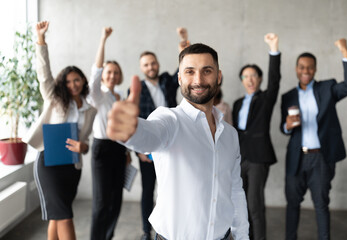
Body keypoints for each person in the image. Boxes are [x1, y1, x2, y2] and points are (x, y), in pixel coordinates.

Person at [107, 43, 249, 240]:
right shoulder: (170, 120)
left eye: (207, 71)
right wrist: (132, 132)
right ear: (180, 77)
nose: (198, 80)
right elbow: (151, 134)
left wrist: (243, 236)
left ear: (219, 76)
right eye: (190, 72)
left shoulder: (230, 135)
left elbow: (234, 189)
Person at [23, 21, 97, 240]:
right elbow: (44, 74)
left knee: (57, 215)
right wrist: (41, 40)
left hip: (72, 166)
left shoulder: (91, 110)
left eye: (77, 80)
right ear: (63, 84)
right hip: (49, 162)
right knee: (64, 215)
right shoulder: (54, 99)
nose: (73, 84)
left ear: (83, 80)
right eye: (68, 81)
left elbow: (85, 141)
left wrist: (84, 147)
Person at [280, 39, 347, 240]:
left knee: (321, 205)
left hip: (321, 159)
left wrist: (345, 51)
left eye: (310, 67)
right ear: (296, 69)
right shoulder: (287, 97)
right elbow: (284, 127)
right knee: (292, 205)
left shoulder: (327, 88)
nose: (305, 70)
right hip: (296, 158)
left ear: (315, 70)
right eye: (302, 67)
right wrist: (287, 126)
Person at [129, 27, 189, 240]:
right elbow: (134, 122)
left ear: (158, 64)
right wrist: (139, 151)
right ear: (141, 67)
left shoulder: (166, 81)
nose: (150, 66)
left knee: (171, 188)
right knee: (148, 191)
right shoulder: (136, 89)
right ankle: (147, 231)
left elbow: (183, 70)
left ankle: (170, 229)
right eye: (146, 64)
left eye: (153, 63)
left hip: (172, 142)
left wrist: (184, 43)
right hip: (148, 147)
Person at [232, 33, 280, 240]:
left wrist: (274, 49)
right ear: (242, 80)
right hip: (239, 158)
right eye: (245, 77)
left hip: (259, 158)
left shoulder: (265, 99)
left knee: (254, 206)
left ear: (259, 79)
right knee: (239, 207)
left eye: (253, 76)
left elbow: (275, 79)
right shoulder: (237, 104)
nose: (249, 80)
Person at [88, 27, 131, 240]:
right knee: (101, 203)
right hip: (102, 148)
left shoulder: (120, 96)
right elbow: (95, 71)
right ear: (103, 76)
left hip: (119, 149)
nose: (112, 75)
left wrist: (128, 151)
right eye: (108, 72)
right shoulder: (97, 95)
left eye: (115, 72)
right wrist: (103, 39)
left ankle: (108, 237)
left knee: (116, 201)